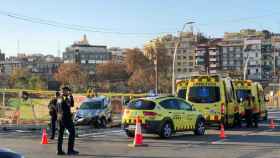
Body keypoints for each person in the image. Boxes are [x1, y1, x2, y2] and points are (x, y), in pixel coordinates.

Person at [57, 87, 79, 155]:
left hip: (60, 118)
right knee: (72, 132)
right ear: (64, 91)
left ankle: (59, 150)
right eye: (67, 91)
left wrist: (71, 96)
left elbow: (71, 105)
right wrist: (70, 97)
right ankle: (70, 150)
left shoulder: (59, 98)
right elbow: (70, 105)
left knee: (60, 134)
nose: (68, 92)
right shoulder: (64, 98)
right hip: (66, 118)